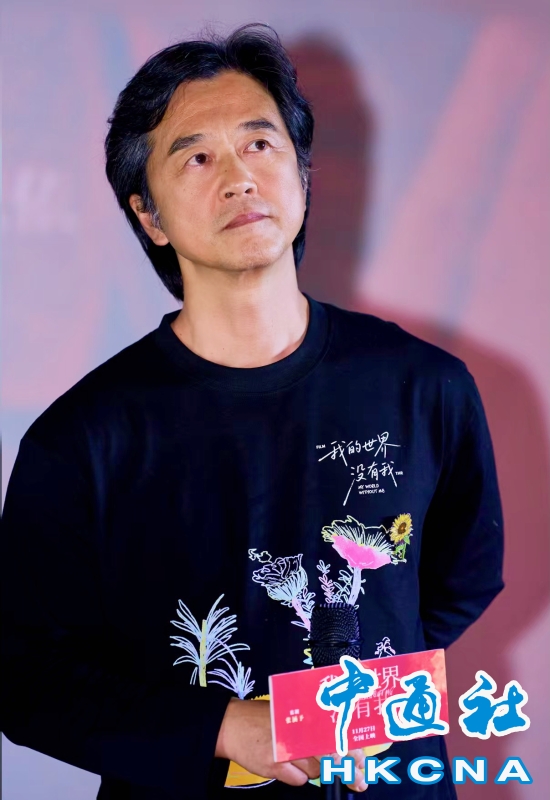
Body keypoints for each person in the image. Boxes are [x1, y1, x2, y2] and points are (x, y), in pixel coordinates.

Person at [1, 23, 504, 800]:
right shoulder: (84, 440)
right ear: (150, 216)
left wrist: (366, 672)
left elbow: (461, 577)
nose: (239, 177)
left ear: (301, 173)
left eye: (260, 144)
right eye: (197, 157)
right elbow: (24, 678)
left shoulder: (422, 386)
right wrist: (224, 727)